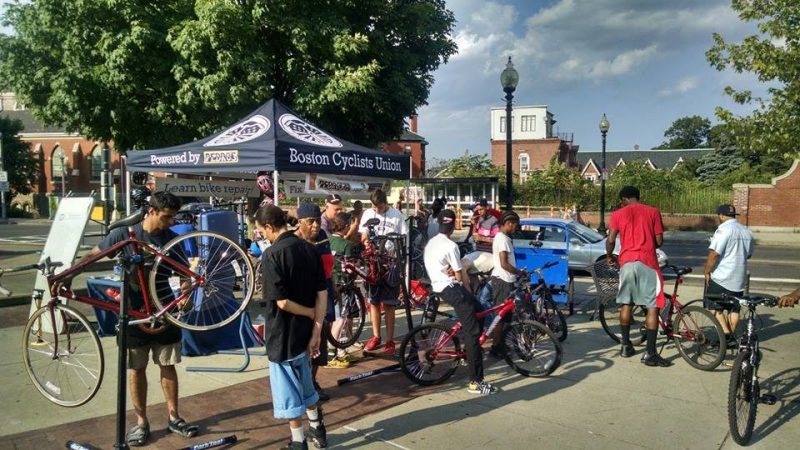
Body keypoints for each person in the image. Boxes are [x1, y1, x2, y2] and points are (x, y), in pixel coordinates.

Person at [53, 191, 198, 446]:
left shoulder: (172, 240)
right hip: (131, 308)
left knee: (167, 364)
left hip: (163, 308)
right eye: (166, 217)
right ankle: (141, 422)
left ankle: (174, 417)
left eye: (174, 217)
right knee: (136, 368)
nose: (170, 222)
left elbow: (185, 275)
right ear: (151, 211)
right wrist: (69, 274)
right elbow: (93, 255)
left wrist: (184, 297)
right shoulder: (126, 235)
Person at [255, 205, 329, 450]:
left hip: (282, 335)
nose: (262, 236)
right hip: (306, 333)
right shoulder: (310, 250)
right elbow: (322, 293)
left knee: (289, 397)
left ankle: (298, 442)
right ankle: (318, 429)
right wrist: (317, 328)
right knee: (307, 387)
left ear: (269, 227)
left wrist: (308, 313)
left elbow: (282, 302)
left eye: (261, 231)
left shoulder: (272, 255)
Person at [424, 209, 497, 395]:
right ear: (454, 225)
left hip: (438, 286)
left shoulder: (431, 243)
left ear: (439, 224)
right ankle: (476, 382)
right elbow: (460, 275)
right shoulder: (451, 246)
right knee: (472, 333)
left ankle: (467, 352)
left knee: (479, 310)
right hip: (451, 288)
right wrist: (468, 290)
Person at [606, 186, 670, 367]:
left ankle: (625, 346)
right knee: (652, 306)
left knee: (626, 303)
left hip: (626, 263)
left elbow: (611, 240)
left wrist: (610, 256)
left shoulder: (618, 214)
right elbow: (659, 241)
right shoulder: (653, 212)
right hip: (647, 262)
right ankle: (650, 353)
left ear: (624, 198)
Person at [295, 203, 349, 397]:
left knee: (321, 344)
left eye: (317, 221)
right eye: (310, 222)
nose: (315, 226)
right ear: (300, 222)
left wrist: (333, 286)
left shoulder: (323, 237)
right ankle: (301, 386)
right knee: (303, 345)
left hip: (324, 296)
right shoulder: (294, 243)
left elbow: (328, 266)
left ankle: (312, 382)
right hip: (303, 303)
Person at [359, 189, 407, 354]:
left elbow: (403, 237)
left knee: (389, 304)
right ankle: (376, 336)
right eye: (373, 207)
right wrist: (366, 243)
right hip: (373, 263)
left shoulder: (397, 215)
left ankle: (389, 340)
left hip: (390, 263)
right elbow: (363, 234)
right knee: (373, 301)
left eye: (379, 207)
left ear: (385, 203)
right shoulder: (367, 213)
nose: (376, 210)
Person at [703, 204, 754, 347]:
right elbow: (748, 254)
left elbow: (714, 254)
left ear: (721, 215)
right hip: (738, 278)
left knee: (714, 307)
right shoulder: (746, 231)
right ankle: (731, 335)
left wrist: (706, 271)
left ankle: (725, 336)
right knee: (734, 308)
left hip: (721, 277)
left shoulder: (723, 230)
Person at [328, 212, 362, 361]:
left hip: (330, 282)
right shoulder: (347, 245)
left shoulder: (327, 241)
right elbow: (350, 268)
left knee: (334, 317)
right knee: (341, 318)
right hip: (344, 284)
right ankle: (332, 353)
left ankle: (340, 350)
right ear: (347, 226)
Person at [489, 211, 524, 355]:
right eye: (515, 225)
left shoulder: (504, 237)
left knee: (506, 317)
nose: (516, 228)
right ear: (509, 223)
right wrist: (519, 272)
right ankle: (496, 347)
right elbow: (504, 264)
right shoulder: (502, 239)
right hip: (502, 281)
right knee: (501, 316)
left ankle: (500, 344)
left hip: (507, 280)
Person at [461, 198, 500, 292]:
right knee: (461, 264)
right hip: (479, 252)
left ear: (487, 207)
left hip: (489, 253)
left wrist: (482, 239)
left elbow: (498, 240)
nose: (479, 212)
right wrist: (474, 225)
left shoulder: (494, 221)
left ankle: (469, 295)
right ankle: (475, 289)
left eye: (481, 209)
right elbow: (475, 236)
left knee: (463, 266)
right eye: (478, 210)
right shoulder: (480, 219)